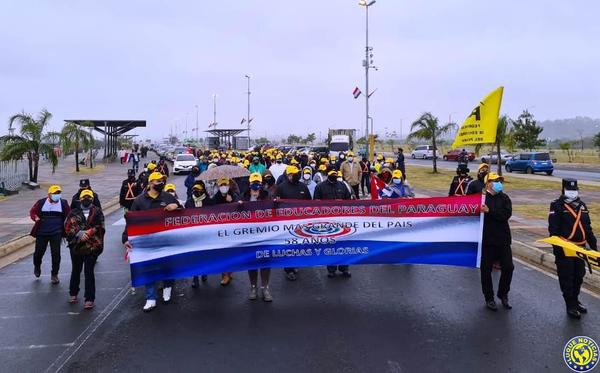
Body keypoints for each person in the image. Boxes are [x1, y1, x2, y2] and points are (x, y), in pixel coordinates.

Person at [122, 172, 181, 312]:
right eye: (158, 181)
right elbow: (131, 221)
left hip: (166, 239)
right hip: (146, 241)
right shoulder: (139, 201)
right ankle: (150, 298)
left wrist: (176, 207)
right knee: (148, 267)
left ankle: (167, 288)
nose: (161, 183)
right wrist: (125, 238)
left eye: (162, 181)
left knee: (166, 265)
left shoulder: (168, 197)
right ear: (150, 183)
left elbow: (182, 214)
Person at [549, 178, 597, 319]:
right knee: (567, 277)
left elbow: (587, 228)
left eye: (574, 190)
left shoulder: (582, 206)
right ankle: (570, 304)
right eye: (569, 190)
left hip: (580, 248)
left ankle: (575, 299)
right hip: (565, 247)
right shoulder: (556, 206)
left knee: (579, 276)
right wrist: (557, 248)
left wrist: (593, 247)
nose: (572, 192)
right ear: (563, 190)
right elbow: (553, 229)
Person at [65, 189, 105, 310]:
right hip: (76, 247)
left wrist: (89, 232)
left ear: (92, 199)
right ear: (80, 199)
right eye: (84, 197)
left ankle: (89, 299)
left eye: (89, 197)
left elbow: (100, 227)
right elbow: (68, 228)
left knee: (89, 272)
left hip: (92, 247)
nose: (86, 199)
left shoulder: (97, 212)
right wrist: (79, 234)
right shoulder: (73, 212)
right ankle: (73, 293)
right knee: (76, 270)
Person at [480, 172, 514, 311]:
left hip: (503, 240)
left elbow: (505, 215)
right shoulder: (481, 199)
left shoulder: (505, 198)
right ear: (488, 183)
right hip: (487, 241)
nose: (499, 183)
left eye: (500, 181)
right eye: (495, 180)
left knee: (509, 267)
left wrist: (490, 211)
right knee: (486, 270)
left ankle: (503, 294)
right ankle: (489, 298)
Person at [275, 166, 312, 280]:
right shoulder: (281, 188)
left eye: (297, 173)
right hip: (286, 223)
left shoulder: (303, 186)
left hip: (301, 222)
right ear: (289, 175)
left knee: (298, 245)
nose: (296, 175)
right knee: (288, 246)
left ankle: (295, 264)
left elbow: (309, 202)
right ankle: (288, 269)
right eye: (294, 174)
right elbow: (276, 205)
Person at [240, 173, 273, 301]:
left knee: (265, 261)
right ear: (249, 183)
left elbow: (273, 211)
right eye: (253, 182)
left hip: (265, 233)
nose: (255, 185)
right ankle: (253, 287)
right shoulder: (244, 196)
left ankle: (265, 288)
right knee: (252, 261)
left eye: (258, 182)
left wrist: (275, 204)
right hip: (250, 235)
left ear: (261, 183)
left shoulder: (266, 195)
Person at [314, 169, 352, 277]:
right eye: (332, 174)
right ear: (328, 174)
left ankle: (344, 268)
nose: (334, 176)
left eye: (335, 174)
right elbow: (315, 204)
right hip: (327, 222)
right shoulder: (320, 187)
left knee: (344, 246)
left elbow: (349, 202)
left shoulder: (342, 186)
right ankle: (331, 269)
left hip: (342, 221)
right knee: (331, 247)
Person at [29, 185, 71, 284]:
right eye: (55, 193)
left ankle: (54, 274)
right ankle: (37, 266)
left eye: (58, 193)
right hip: (42, 232)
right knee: (38, 253)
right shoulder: (41, 202)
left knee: (56, 254)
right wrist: (35, 218)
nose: (57, 195)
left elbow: (69, 215)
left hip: (56, 232)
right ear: (49, 194)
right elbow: (33, 212)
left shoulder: (63, 203)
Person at [184, 180, 213, 288]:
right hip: (193, 233)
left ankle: (204, 272)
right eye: (195, 190)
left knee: (204, 254)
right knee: (194, 255)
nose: (196, 192)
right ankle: (195, 277)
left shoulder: (209, 201)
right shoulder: (189, 202)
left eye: (199, 190)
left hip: (205, 232)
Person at [213, 177, 240, 286]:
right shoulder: (216, 197)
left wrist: (232, 201)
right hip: (220, 228)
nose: (224, 187)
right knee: (222, 252)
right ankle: (224, 275)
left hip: (232, 228)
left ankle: (229, 271)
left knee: (232, 251)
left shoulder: (233, 195)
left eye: (225, 185)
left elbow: (240, 208)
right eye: (221, 185)